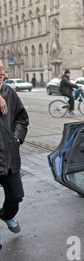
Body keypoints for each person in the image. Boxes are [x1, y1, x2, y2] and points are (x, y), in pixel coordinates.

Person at [0, 59, 29, 234]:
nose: (1, 73)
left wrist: (17, 136)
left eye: (2, 69)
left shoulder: (8, 92)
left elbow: (22, 117)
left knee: (16, 195)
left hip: (9, 158)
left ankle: (6, 215)